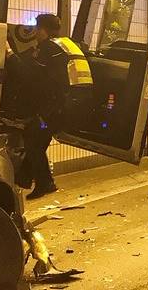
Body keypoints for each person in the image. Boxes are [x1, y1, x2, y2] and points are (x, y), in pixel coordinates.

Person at [23, 14, 95, 200]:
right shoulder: (67, 43)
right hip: (79, 103)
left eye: (37, 29)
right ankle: (45, 182)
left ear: (43, 30)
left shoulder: (49, 48)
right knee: (39, 139)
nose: (36, 34)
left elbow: (34, 75)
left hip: (64, 105)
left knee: (33, 140)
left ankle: (41, 183)